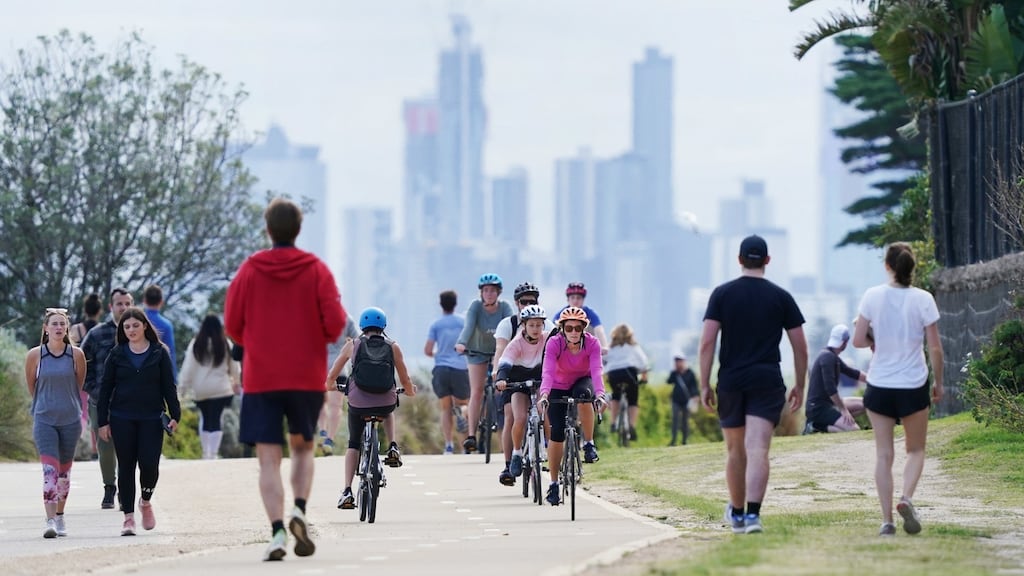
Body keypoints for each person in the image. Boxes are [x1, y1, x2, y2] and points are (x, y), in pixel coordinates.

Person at [225, 197, 346, 562]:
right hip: (306, 378)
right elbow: (337, 324)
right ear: (298, 228)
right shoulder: (316, 270)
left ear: (268, 229)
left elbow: (232, 325)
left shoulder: (249, 270)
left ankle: (277, 531)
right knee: (303, 447)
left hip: (262, 379)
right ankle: (300, 509)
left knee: (268, 460)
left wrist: (259, 343)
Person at [699, 234, 807, 535]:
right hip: (766, 380)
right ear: (767, 261)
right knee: (758, 449)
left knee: (735, 451)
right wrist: (799, 383)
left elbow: (707, 342)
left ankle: (736, 513)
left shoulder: (722, 294)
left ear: (739, 259)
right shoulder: (781, 297)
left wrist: (704, 383)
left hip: (731, 381)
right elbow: (800, 346)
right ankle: (752, 516)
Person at [852, 242, 943, 537]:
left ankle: (887, 521)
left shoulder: (872, 296)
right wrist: (939, 382)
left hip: (879, 383)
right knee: (915, 449)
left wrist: (875, 338)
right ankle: (906, 498)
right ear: (911, 268)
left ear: (887, 266)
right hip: (913, 383)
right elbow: (935, 347)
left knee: (883, 455)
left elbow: (857, 341)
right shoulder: (924, 299)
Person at [96, 307, 181, 537]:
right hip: (122, 417)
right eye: (126, 327)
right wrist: (102, 421)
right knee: (125, 467)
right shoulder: (117, 354)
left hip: (151, 417)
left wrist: (175, 414)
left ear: (145, 326)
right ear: (122, 330)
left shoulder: (159, 352)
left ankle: (145, 501)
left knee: (150, 466)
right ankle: (128, 518)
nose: (131, 330)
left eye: (135, 325)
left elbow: (168, 386)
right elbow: (105, 390)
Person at [330, 307, 416, 510]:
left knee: (353, 443)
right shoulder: (393, 346)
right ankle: (393, 445)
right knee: (390, 404)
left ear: (361, 326)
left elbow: (334, 371)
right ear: (383, 326)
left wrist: (329, 385)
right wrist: (410, 390)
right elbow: (404, 377)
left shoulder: (353, 345)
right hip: (385, 400)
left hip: (358, 403)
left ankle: (347, 491)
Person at [25, 307, 87, 538]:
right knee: (49, 471)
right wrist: (46, 403)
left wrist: (66, 404)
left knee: (64, 474)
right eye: (54, 324)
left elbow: (78, 385)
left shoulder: (76, 355)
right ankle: (49, 520)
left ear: (67, 327)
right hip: (44, 420)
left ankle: (60, 516)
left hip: (70, 420)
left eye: (62, 324)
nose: (59, 328)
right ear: (46, 328)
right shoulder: (35, 355)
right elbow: (32, 385)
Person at [538, 306, 607, 506]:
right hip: (558, 386)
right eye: (569, 328)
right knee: (557, 431)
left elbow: (596, 371)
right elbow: (548, 372)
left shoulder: (592, 343)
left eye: (578, 328)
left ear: (584, 328)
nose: (574, 332)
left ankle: (588, 443)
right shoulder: (554, 343)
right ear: (562, 329)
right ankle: (552, 484)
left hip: (581, 382)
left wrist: (600, 395)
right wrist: (544, 395)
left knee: (585, 396)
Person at [81, 287, 134, 510]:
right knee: (105, 447)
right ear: (111, 307)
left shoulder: (138, 332)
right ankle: (109, 487)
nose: (123, 307)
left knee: (128, 447)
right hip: (101, 401)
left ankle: (125, 488)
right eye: (119, 304)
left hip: (130, 401)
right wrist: (93, 389)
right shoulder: (97, 334)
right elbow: (82, 365)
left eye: (127, 303)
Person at [455, 273, 515, 453]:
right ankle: (472, 435)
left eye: (493, 291)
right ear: (481, 293)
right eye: (486, 290)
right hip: (476, 352)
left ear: (499, 293)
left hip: (499, 352)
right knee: (477, 391)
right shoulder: (475, 306)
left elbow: (513, 327)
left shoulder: (505, 307)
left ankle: (502, 425)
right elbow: (468, 326)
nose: (489, 294)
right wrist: (461, 343)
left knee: (502, 389)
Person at [493, 304, 551, 486]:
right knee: (519, 418)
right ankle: (517, 453)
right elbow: (504, 364)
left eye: (539, 325)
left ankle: (550, 448)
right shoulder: (516, 343)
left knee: (547, 413)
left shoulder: (548, 338)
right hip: (517, 384)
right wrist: (501, 379)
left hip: (540, 382)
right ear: (524, 325)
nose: (536, 329)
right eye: (532, 325)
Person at [178, 314, 241, 459]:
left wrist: (183, 387)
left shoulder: (196, 343)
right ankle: (213, 453)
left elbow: (188, 367)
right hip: (221, 388)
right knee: (216, 419)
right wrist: (236, 382)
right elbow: (235, 365)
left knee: (205, 418)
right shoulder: (225, 343)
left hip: (201, 389)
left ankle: (205, 452)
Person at [424, 290, 470, 454]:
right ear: (455, 303)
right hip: (460, 368)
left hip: (441, 368)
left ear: (440, 304)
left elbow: (428, 350)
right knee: (462, 406)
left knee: (445, 408)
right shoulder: (464, 322)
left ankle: (449, 445)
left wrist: (440, 353)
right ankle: (465, 446)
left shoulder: (436, 325)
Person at [805, 324, 867, 434]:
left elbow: (853, 373)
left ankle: (822, 425)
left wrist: (875, 380)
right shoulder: (827, 357)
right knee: (854, 430)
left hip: (830, 404)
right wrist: (843, 410)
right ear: (845, 342)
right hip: (819, 408)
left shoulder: (833, 357)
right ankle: (815, 426)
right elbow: (830, 388)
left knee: (868, 403)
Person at [491, 282, 555, 382]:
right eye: (524, 302)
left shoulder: (548, 325)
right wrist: (497, 370)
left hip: (540, 371)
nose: (528, 305)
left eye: (532, 302)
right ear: (517, 303)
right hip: (514, 371)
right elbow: (500, 348)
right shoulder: (508, 324)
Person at [317, 315, 359, 455]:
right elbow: (358, 341)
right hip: (340, 368)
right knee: (335, 406)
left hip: (319, 366)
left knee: (320, 402)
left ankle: (322, 430)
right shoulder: (346, 319)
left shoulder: (315, 316)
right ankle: (329, 439)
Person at [604, 323, 649, 442]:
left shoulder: (610, 347)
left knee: (615, 395)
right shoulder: (633, 346)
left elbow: (603, 360)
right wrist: (644, 375)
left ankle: (613, 422)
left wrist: (606, 373)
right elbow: (643, 362)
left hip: (614, 374)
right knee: (633, 400)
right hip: (629, 373)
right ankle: (632, 426)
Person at [70, 293, 102, 445]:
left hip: (80, 376)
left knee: (82, 411)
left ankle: (81, 443)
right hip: (98, 377)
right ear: (99, 311)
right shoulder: (101, 330)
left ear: (85, 310)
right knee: (96, 411)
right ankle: (95, 446)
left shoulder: (76, 329)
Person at [551, 282, 609, 352]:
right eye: (572, 298)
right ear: (568, 300)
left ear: (583, 300)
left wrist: (604, 347)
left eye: (578, 298)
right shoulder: (560, 315)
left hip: (586, 349)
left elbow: (599, 330)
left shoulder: (590, 313)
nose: (575, 300)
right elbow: (552, 333)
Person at [143, 285, 177, 383]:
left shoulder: (135, 322)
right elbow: (170, 353)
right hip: (158, 376)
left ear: (144, 300)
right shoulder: (166, 325)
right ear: (161, 302)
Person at [667, 354, 699, 446]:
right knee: (675, 419)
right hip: (676, 400)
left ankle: (684, 440)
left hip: (687, 401)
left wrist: (695, 395)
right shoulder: (675, 374)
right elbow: (669, 381)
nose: (678, 364)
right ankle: (673, 440)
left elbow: (694, 386)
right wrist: (674, 372)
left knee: (685, 421)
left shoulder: (690, 373)